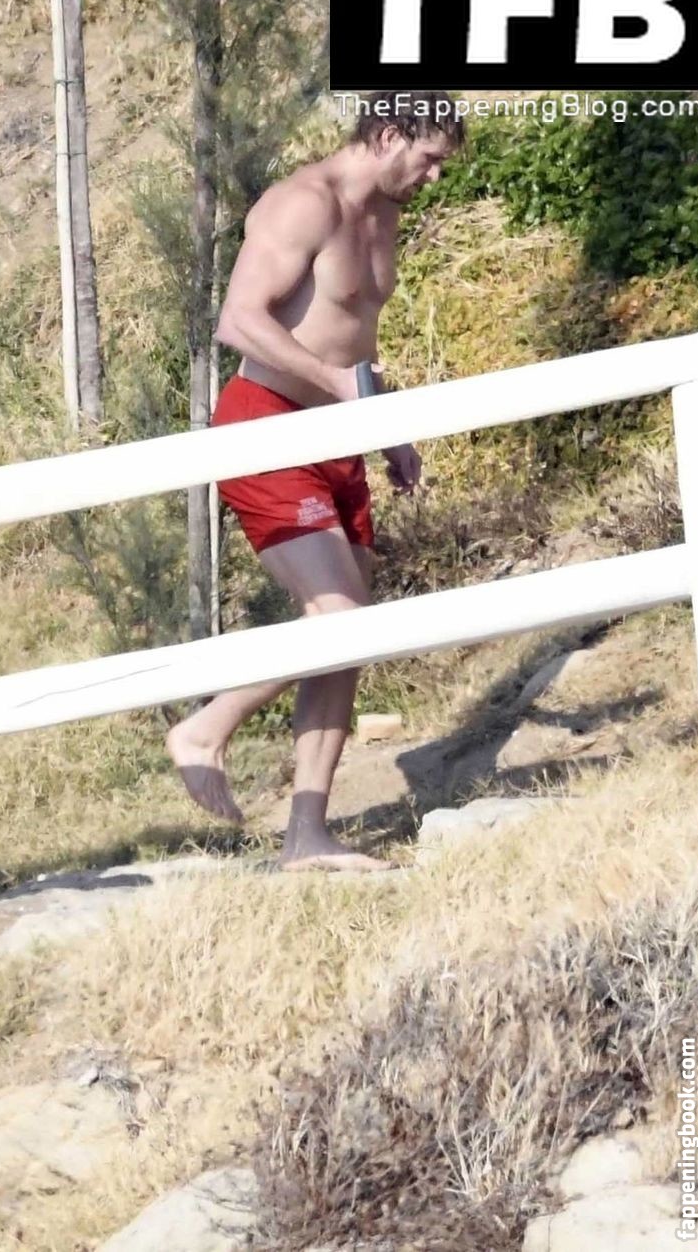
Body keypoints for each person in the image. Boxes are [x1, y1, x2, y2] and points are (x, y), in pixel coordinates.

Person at [165, 90, 464, 873]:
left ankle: (307, 835)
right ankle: (204, 729)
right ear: (390, 133)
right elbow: (240, 320)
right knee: (340, 614)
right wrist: (337, 387)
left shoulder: (383, 212)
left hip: (339, 434)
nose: (434, 177)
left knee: (346, 642)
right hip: (266, 422)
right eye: (429, 159)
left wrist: (386, 429)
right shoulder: (303, 203)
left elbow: (353, 335)